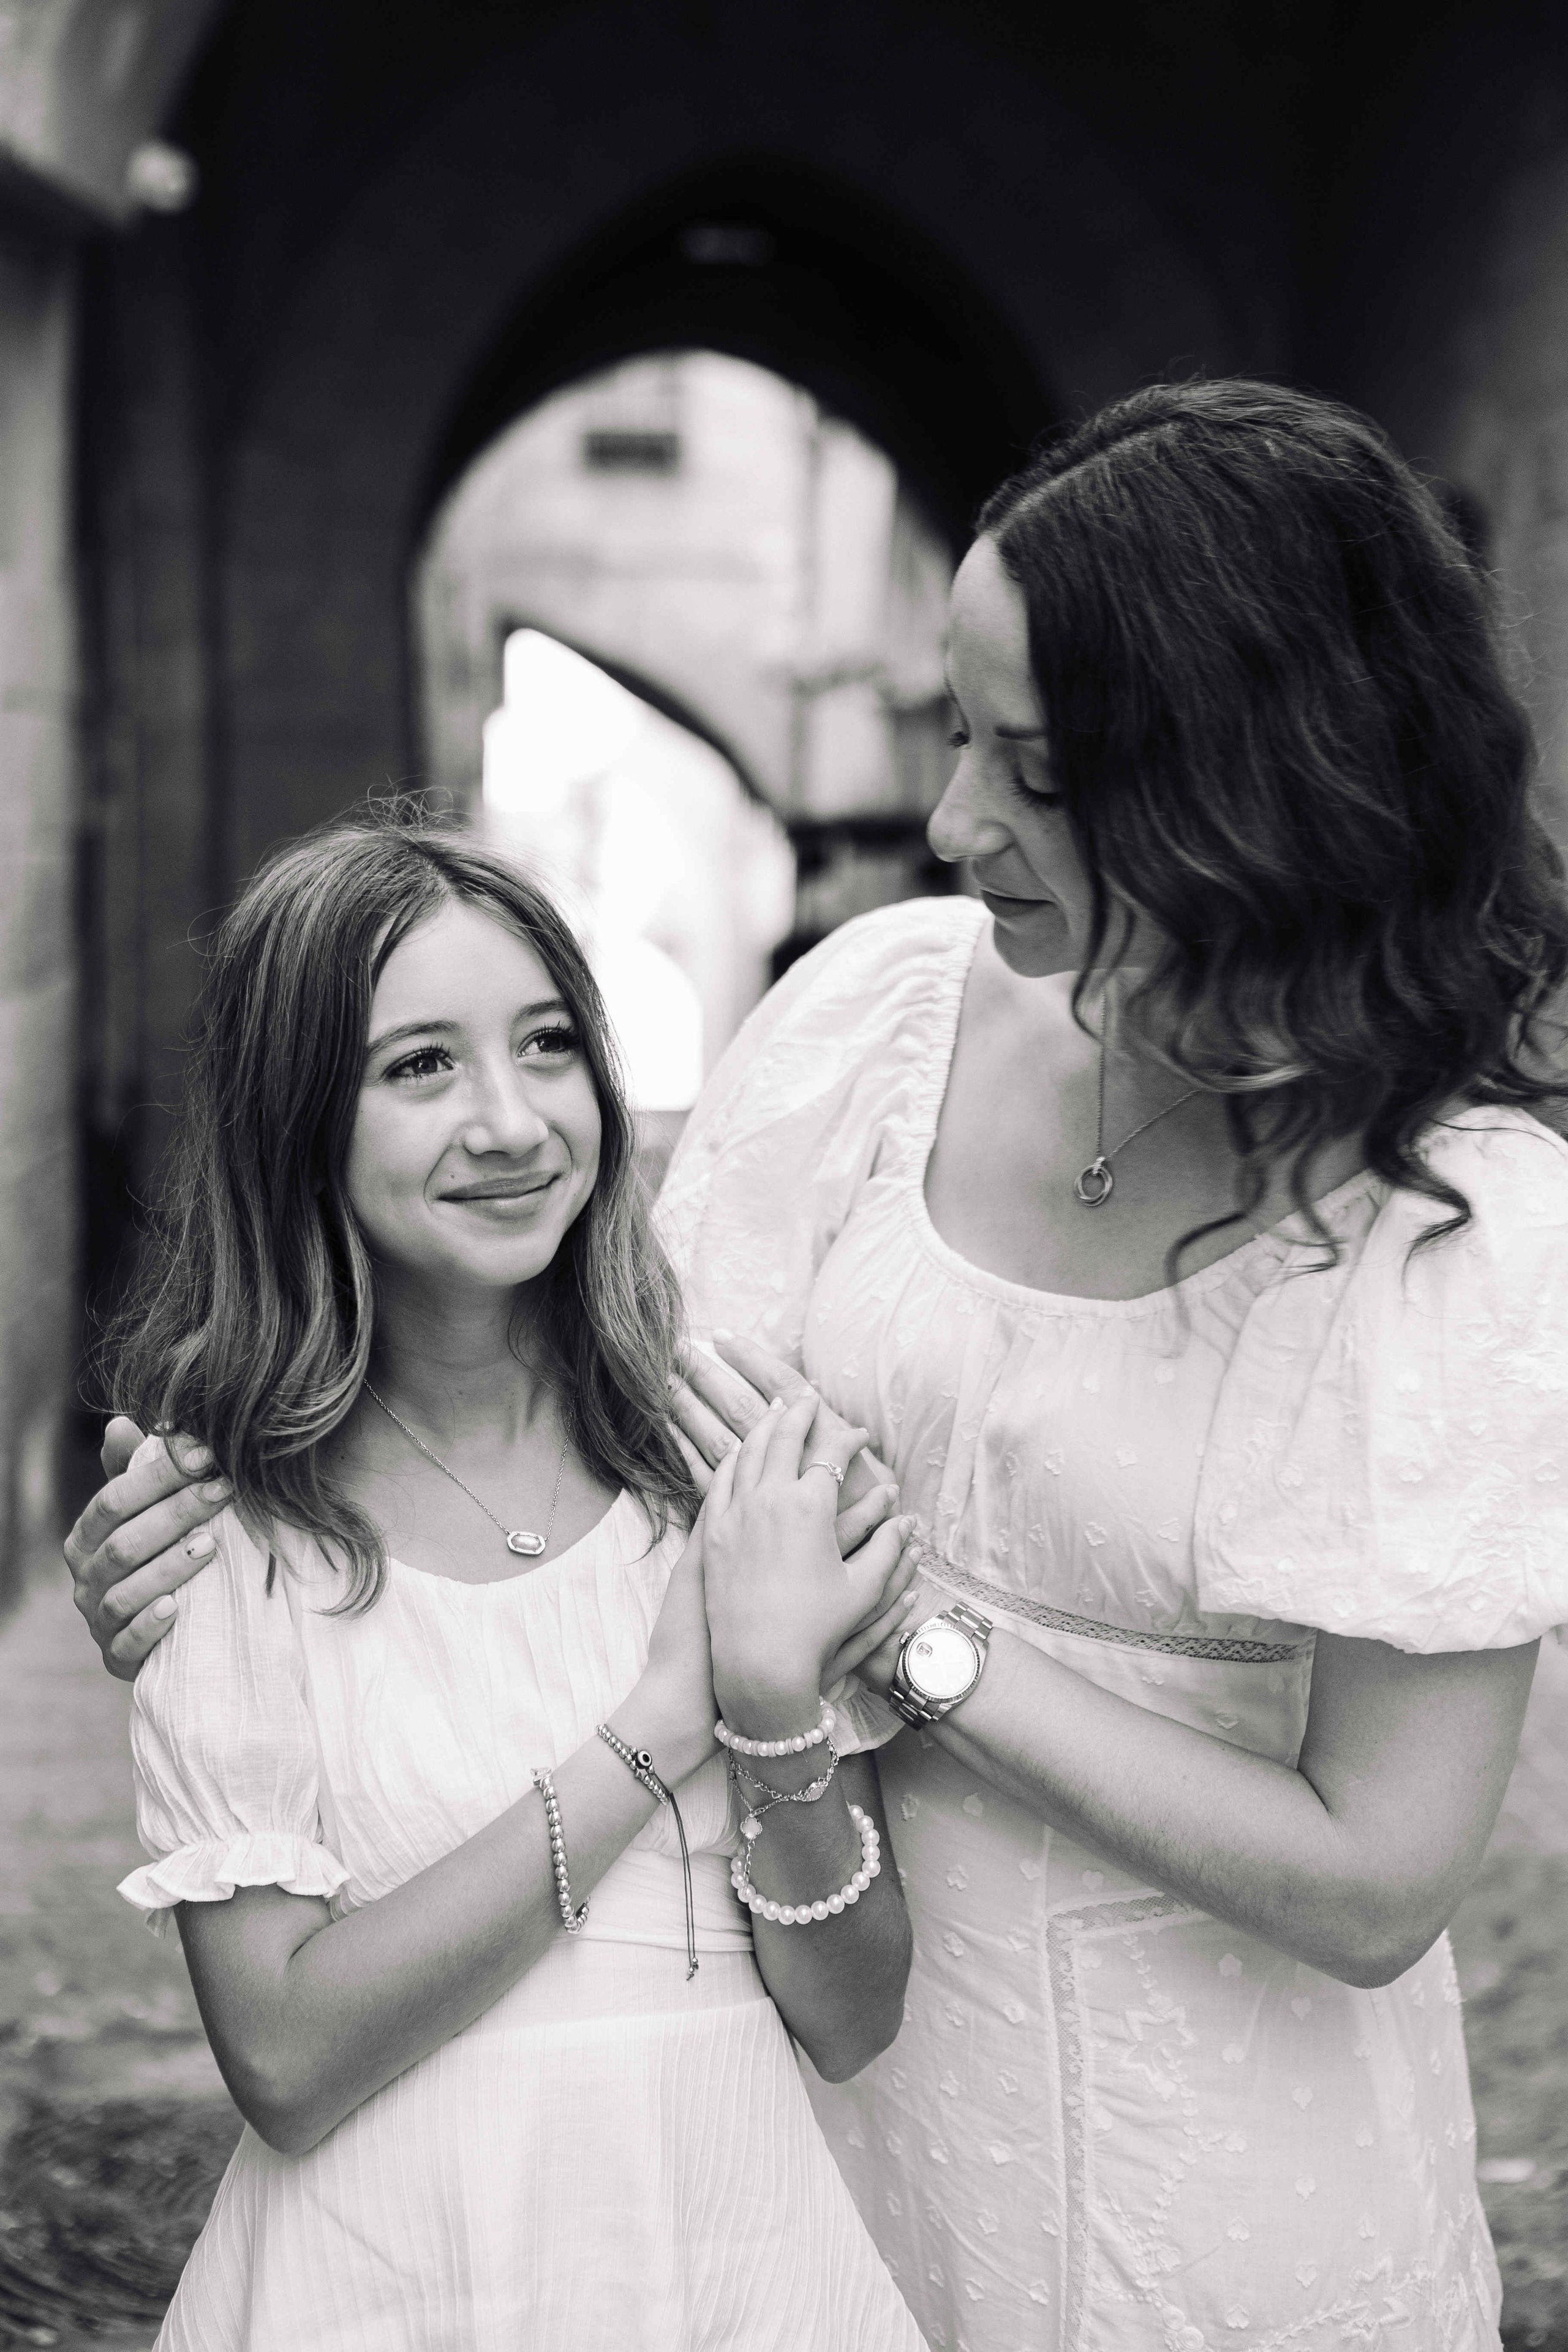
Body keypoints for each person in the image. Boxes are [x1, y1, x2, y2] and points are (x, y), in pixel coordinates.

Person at [69, 378, 1568, 2350]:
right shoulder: (877, 1019)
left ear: (1245, 785)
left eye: (1026, 768)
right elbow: (581, 1401)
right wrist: (222, 1499)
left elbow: (1377, 1878)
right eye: (958, 733)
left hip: (1216, 2161)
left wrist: (900, 1641)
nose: (952, 824)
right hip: (782, 2119)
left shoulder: (1459, 1221)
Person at [91, 819, 927, 2351]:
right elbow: (283, 2062)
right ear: (297, 1123)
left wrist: (772, 1702)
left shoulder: (719, 1459)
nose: (511, 1121)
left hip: (734, 2260)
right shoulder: (228, 1527)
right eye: (418, 1067)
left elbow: (854, 2015)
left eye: (546, 1046)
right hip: (399, 2280)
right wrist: (659, 1725)